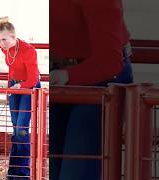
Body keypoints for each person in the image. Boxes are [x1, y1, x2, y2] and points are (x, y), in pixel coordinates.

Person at [50, 0, 133, 179]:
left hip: (101, 79)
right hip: (58, 76)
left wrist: (65, 76)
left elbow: (109, 60)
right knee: (53, 165)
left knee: (77, 168)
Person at [0, 16, 41, 179]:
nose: (2, 44)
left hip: (29, 87)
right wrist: (10, 86)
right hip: (15, 86)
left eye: (5, 40)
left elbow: (34, 78)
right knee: (15, 127)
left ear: (14, 37)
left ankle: (23, 173)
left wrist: (19, 86)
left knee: (21, 128)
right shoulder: (5, 49)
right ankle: (13, 170)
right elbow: (12, 69)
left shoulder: (29, 50)